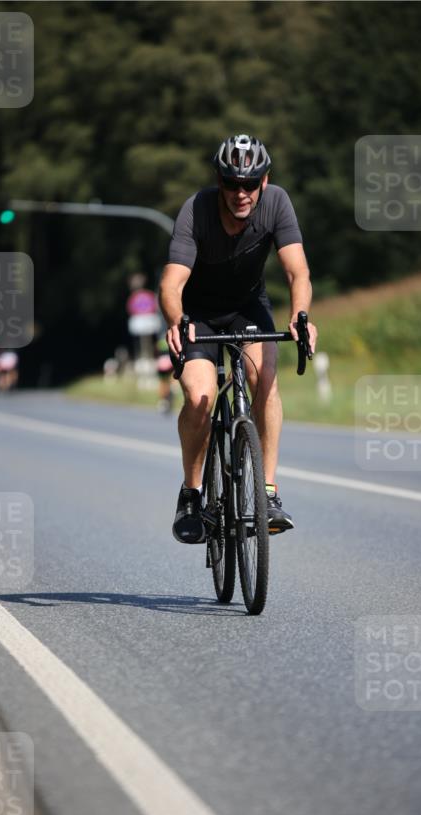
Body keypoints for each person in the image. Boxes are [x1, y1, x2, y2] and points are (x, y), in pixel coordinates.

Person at [159, 134, 318, 544]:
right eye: (232, 183)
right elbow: (171, 284)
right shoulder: (196, 210)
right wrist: (177, 321)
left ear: (265, 181)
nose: (241, 193)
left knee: (263, 378)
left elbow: (297, 272)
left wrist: (301, 317)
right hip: (199, 315)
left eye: (250, 183)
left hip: (248, 309)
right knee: (199, 397)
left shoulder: (277, 203)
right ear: (220, 181)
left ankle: (267, 493)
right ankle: (192, 495)